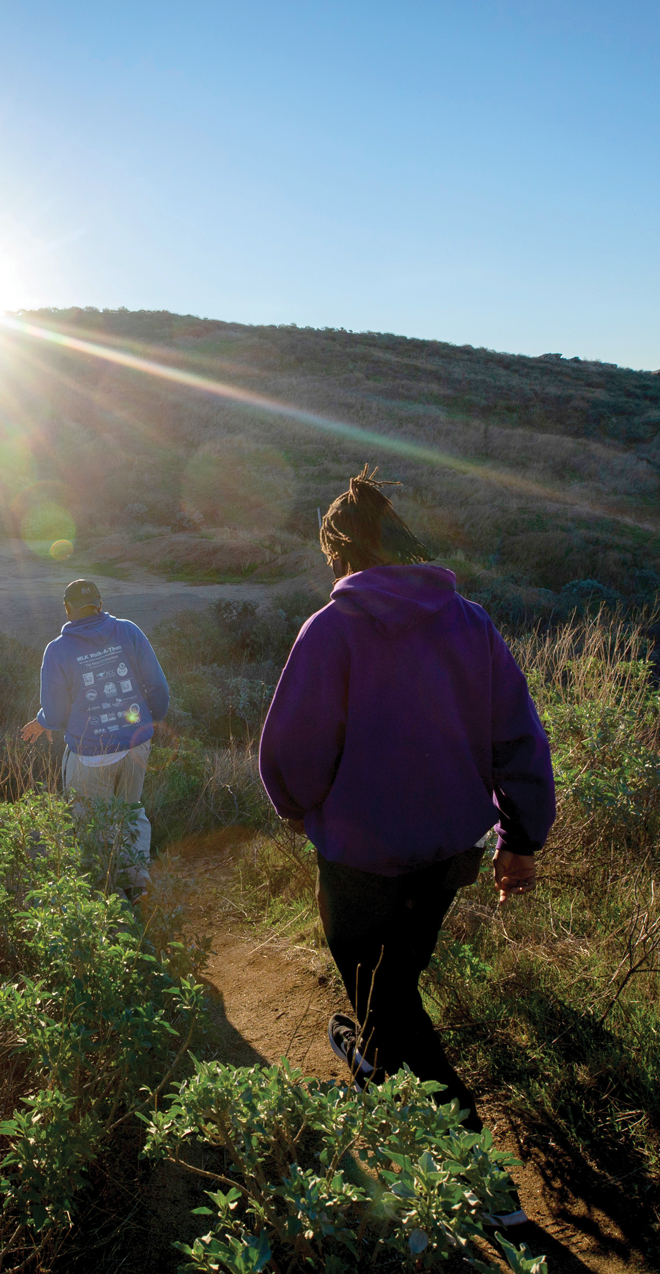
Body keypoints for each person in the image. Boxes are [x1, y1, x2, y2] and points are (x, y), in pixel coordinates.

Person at [257, 466, 554, 1219]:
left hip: (359, 859)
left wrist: (297, 810)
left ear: (340, 549)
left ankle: (481, 1177)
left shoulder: (331, 630)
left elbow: (291, 750)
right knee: (397, 980)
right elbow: (517, 736)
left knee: (387, 998)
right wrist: (520, 840)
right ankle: (374, 1060)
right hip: (451, 852)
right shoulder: (471, 621)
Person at [21, 578, 171, 892]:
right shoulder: (129, 631)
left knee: (90, 823)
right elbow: (157, 686)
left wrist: (42, 722)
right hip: (135, 746)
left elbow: (57, 714)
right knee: (130, 811)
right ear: (100, 605)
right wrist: (148, 723)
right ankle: (137, 885)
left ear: (67, 610)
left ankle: (103, 892)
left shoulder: (58, 650)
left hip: (90, 755)